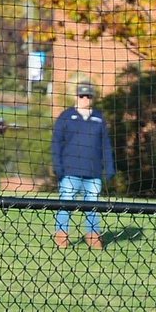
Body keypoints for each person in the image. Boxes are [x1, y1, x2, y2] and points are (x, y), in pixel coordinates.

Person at [50, 81, 115, 249]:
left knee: (92, 207)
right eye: (82, 95)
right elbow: (56, 143)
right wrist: (58, 167)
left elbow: (105, 145)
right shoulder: (66, 116)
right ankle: (61, 237)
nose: (85, 99)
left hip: (93, 173)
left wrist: (109, 168)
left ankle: (93, 238)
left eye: (88, 96)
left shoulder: (99, 118)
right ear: (76, 96)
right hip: (70, 172)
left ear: (92, 98)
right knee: (66, 205)